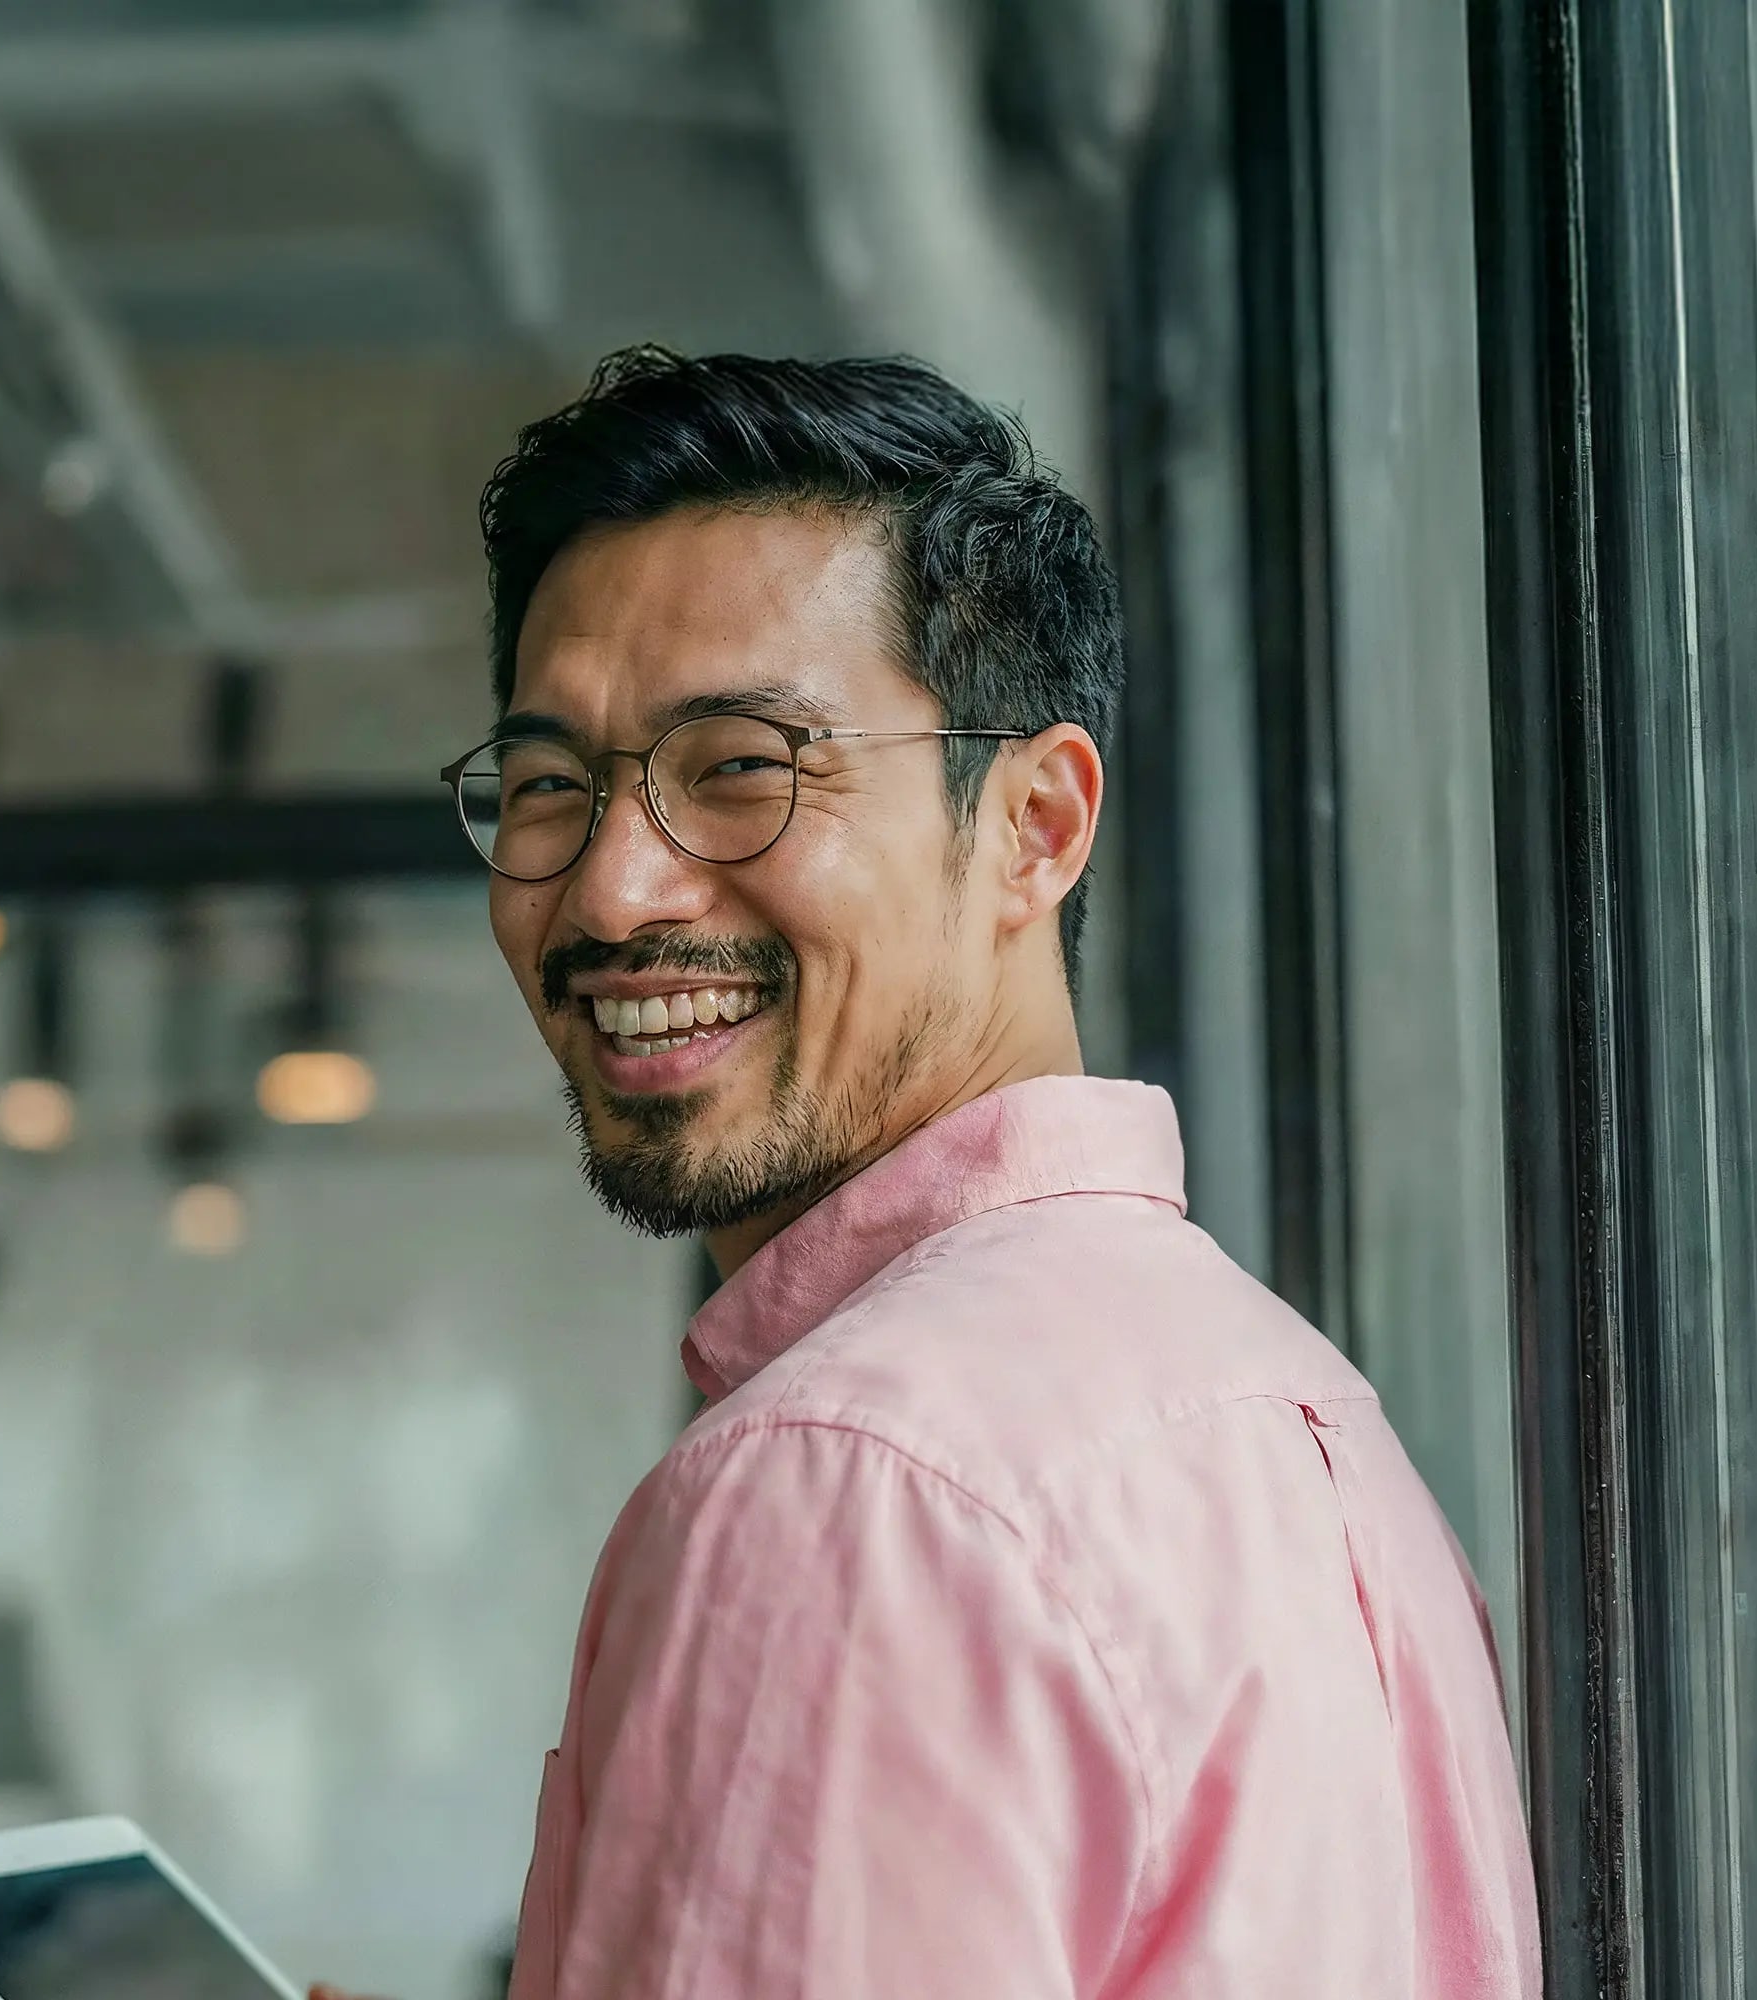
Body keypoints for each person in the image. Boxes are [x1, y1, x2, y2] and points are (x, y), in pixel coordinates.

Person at [322, 349, 1536, 1999]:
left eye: (740, 769)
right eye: (550, 786)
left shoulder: (849, 1480)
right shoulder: (1294, 1419)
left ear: (1034, 825)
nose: (609, 892)